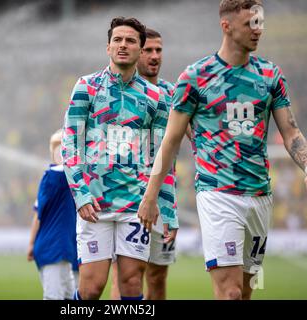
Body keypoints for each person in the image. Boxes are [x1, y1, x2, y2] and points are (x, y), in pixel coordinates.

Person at [138, 0, 307, 300]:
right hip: (217, 193)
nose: (258, 29)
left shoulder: (270, 75)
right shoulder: (195, 77)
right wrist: (150, 196)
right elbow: (171, 140)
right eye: (251, 23)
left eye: (260, 22)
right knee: (230, 294)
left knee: (246, 292)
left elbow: (290, 131)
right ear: (226, 26)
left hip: (260, 195)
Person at [62, 17, 178, 300]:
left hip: (136, 206)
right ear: (108, 47)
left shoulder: (156, 97)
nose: (123, 45)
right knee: (91, 288)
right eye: (117, 40)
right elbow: (69, 145)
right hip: (95, 206)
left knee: (131, 284)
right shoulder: (86, 87)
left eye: (130, 41)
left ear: (140, 49)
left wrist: (166, 208)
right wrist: (81, 195)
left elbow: (161, 157)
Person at [110, 28, 178, 300]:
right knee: (126, 275)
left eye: (158, 50)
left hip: (162, 197)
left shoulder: (173, 93)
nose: (154, 56)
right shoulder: (120, 93)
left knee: (158, 276)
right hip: (127, 195)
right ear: (137, 52)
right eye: (148, 50)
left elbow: (197, 134)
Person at [27, 129, 79, 300]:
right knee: (54, 297)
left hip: (59, 249)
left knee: (69, 297)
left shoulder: (53, 178)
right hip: (54, 247)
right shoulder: (56, 176)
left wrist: (31, 243)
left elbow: (37, 215)